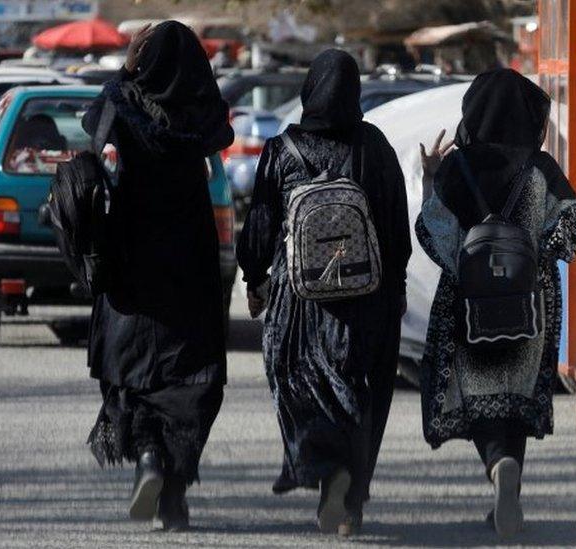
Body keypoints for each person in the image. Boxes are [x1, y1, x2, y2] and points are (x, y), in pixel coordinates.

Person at [237, 49, 411, 537]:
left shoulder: (282, 149)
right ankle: (350, 497)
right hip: (365, 300)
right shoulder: (375, 146)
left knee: (302, 387)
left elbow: (262, 225)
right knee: (361, 396)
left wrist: (255, 279)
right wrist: (395, 286)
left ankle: (324, 473)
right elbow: (396, 226)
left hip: (301, 304)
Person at [416, 69, 576, 539]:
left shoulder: (456, 167)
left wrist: (432, 179)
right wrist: (534, 252)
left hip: (469, 304)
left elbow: (433, 232)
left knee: (480, 395)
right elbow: (571, 232)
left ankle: (496, 464)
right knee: (515, 394)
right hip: (530, 303)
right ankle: (508, 474)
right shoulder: (542, 168)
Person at [82, 21, 233, 532]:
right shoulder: (201, 115)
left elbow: (92, 120)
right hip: (189, 254)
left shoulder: (130, 106)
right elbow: (222, 129)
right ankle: (172, 495)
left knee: (131, 366)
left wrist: (125, 71)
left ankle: (148, 456)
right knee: (191, 371)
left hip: (131, 252)